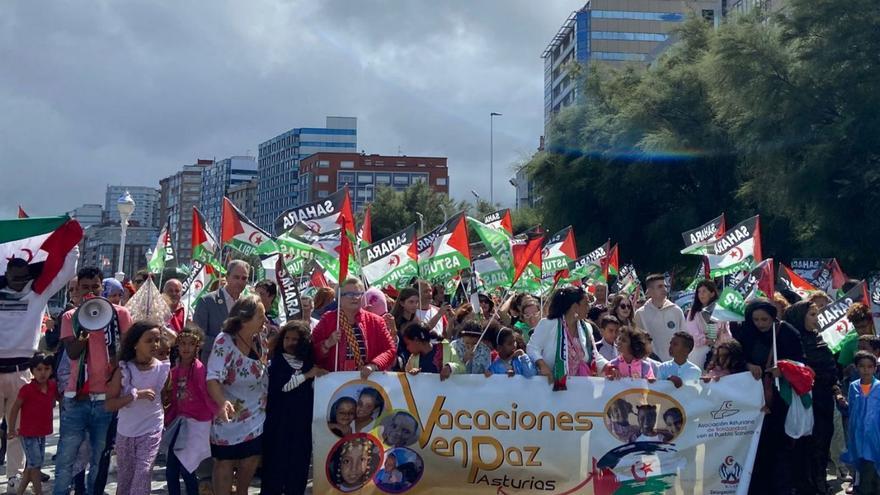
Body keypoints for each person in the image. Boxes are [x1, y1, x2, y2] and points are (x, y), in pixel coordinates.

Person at [0, 247, 76, 489]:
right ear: (7, 274)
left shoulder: (37, 294)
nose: (20, 283)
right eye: (15, 278)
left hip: (23, 370)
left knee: (18, 430)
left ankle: (14, 476)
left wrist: (71, 244)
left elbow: (66, 273)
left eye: (25, 278)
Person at [54, 266, 133, 495]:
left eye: (95, 287)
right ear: (77, 291)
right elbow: (72, 353)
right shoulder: (71, 317)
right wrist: (85, 327)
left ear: (102, 288)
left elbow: (126, 351)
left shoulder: (120, 315)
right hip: (77, 397)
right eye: (84, 288)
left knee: (100, 457)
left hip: (106, 399)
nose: (90, 292)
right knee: (67, 457)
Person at [737, 299, 805, 495]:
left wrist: (783, 370)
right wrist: (748, 365)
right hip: (752, 399)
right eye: (756, 319)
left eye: (764, 319)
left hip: (780, 398)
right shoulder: (747, 333)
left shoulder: (787, 333)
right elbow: (736, 357)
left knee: (779, 446)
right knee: (755, 447)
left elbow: (802, 364)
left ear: (773, 317)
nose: (760, 324)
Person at [206, 295, 269, 495]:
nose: (265, 320)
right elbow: (212, 378)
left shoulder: (260, 337)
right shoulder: (224, 341)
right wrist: (222, 402)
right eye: (261, 316)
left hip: (256, 415)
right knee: (224, 462)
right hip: (229, 415)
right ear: (244, 320)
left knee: (250, 460)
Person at [105, 320, 171, 495]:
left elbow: (165, 396)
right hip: (126, 432)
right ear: (135, 344)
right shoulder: (124, 370)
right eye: (149, 340)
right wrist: (134, 395)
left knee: (143, 473)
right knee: (125, 480)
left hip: (151, 429)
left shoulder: (162, 368)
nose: (155, 345)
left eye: (157, 340)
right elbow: (109, 404)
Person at [262, 321, 327, 495]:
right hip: (279, 425)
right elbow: (283, 386)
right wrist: (307, 376)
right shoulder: (277, 362)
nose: (290, 342)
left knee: (298, 467)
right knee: (275, 466)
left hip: (302, 425)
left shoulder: (308, 362)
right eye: (287, 338)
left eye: (295, 339)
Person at [783, 300, 839, 495]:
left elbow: (831, 368)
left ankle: (820, 480)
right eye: (812, 315)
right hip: (805, 400)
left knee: (823, 441)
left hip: (824, 399)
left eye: (817, 314)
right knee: (806, 444)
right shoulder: (793, 342)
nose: (816, 319)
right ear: (800, 317)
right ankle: (805, 483)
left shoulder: (818, 339)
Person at [165, 324, 216, 495]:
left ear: (198, 346)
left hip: (196, 424)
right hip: (179, 423)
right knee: (171, 468)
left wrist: (215, 417)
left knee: (188, 468)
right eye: (182, 343)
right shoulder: (175, 371)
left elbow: (207, 395)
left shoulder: (200, 370)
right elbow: (172, 399)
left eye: (190, 344)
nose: (186, 348)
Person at [312, 278, 396, 378]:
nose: (355, 298)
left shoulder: (376, 321)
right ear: (339, 297)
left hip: (368, 381)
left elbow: (390, 350)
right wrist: (327, 344)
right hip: (335, 384)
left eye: (358, 294)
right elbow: (311, 351)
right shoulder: (327, 320)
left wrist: (374, 365)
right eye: (349, 294)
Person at [527, 286, 608, 390]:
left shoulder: (586, 328)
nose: (589, 307)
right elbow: (532, 348)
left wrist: (608, 366)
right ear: (575, 307)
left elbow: (594, 355)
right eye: (586, 304)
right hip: (549, 386)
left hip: (577, 388)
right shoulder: (548, 324)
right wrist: (542, 365)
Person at [7, 354, 56, 495]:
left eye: (46, 369)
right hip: (28, 433)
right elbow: (15, 408)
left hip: (42, 431)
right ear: (32, 371)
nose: (43, 373)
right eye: (39, 369)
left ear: (51, 370)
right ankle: (38, 492)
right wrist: (11, 429)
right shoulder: (27, 389)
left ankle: (20, 491)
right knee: (35, 465)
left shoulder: (52, 386)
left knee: (33, 463)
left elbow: (59, 399)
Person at [195, 260, 250, 361]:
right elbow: (197, 337)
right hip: (212, 363)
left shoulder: (247, 304)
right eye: (236, 277)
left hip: (240, 365)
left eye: (244, 278)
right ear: (227, 277)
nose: (240, 282)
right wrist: (227, 343)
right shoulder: (207, 301)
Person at [841, 351, 880, 494]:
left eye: (870, 366)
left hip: (876, 438)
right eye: (862, 366)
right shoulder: (853, 386)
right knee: (863, 471)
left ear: (875, 368)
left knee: (873, 472)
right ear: (856, 367)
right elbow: (852, 411)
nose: (866, 370)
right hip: (858, 437)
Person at [634, 273, 685, 362]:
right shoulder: (640, 314)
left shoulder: (676, 311)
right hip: (650, 366)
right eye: (660, 286)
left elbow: (684, 339)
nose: (664, 289)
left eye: (665, 286)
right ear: (650, 291)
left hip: (674, 364)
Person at [685, 280, 729, 369]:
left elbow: (726, 333)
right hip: (699, 352)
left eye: (704, 291)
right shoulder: (693, 312)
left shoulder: (720, 312)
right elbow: (692, 333)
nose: (701, 294)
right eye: (699, 292)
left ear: (712, 293)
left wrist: (718, 342)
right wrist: (705, 340)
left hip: (718, 352)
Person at [838, 303, 876, 367]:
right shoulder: (849, 344)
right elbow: (845, 369)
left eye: (864, 326)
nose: (861, 330)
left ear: (871, 322)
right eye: (857, 327)